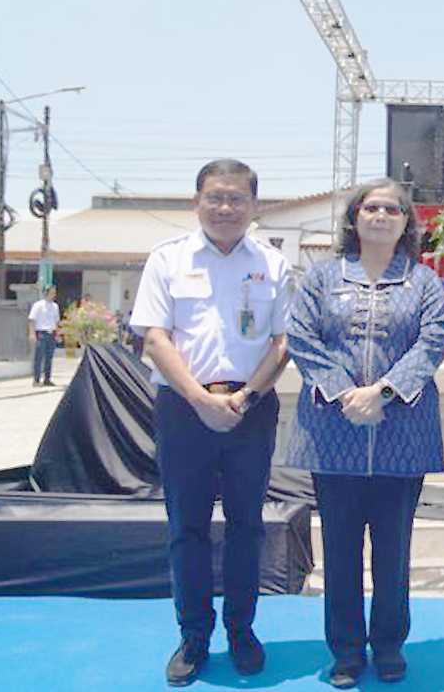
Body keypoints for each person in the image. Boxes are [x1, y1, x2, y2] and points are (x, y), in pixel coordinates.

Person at [129, 159, 292, 687]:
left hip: (251, 406)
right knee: (188, 527)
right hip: (182, 408)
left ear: (254, 206)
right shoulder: (168, 259)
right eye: (215, 197)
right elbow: (155, 338)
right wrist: (199, 398)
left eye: (237, 199)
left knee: (248, 525)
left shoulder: (272, 263)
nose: (226, 208)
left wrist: (245, 396)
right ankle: (194, 636)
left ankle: (241, 631)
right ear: (195, 201)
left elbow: (282, 343)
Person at [286, 179, 444, 688]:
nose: (381, 215)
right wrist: (343, 393)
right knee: (339, 547)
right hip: (333, 434)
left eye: (392, 209)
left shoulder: (423, 282)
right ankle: (345, 650)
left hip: (402, 433)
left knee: (393, 548)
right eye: (371, 207)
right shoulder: (321, 278)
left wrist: (382, 392)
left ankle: (388, 645)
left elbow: (434, 339)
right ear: (354, 218)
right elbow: (300, 335)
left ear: (406, 222)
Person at [27, 285, 60, 386]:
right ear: (46, 293)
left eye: (54, 292)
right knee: (39, 357)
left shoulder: (55, 306)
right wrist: (32, 334)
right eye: (52, 292)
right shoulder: (38, 305)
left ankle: (47, 379)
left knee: (49, 358)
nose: (54, 294)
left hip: (52, 333)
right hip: (41, 333)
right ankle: (36, 379)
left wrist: (58, 334)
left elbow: (57, 321)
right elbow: (32, 320)